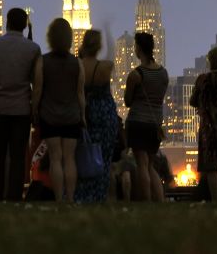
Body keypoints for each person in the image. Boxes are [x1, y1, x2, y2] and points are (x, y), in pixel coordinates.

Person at [0, 7, 41, 201]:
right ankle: (14, 196)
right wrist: (33, 105)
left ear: (6, 23)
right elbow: (37, 80)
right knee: (17, 157)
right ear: (25, 26)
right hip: (22, 110)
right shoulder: (33, 49)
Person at [31, 18, 86, 203]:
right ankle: (70, 198)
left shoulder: (42, 62)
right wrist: (83, 116)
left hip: (50, 116)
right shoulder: (77, 63)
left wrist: (35, 110)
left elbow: (37, 89)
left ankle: (58, 198)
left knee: (55, 158)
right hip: (72, 116)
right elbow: (80, 93)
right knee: (70, 159)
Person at [75, 28, 118, 203]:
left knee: (83, 154)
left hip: (84, 112)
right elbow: (112, 52)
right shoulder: (105, 67)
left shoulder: (77, 65)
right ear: (98, 46)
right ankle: (100, 195)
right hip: (105, 114)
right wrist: (109, 34)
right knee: (104, 158)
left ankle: (81, 195)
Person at [124, 32, 169, 202]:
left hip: (138, 122)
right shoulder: (163, 73)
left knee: (141, 165)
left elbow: (128, 101)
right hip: (155, 124)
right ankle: (160, 200)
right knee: (150, 165)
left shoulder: (136, 74)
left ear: (138, 49)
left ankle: (147, 201)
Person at [189, 46, 217, 202]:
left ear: (210, 61)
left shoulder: (202, 80)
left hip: (208, 128)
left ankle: (216, 200)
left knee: (212, 167)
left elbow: (192, 101)